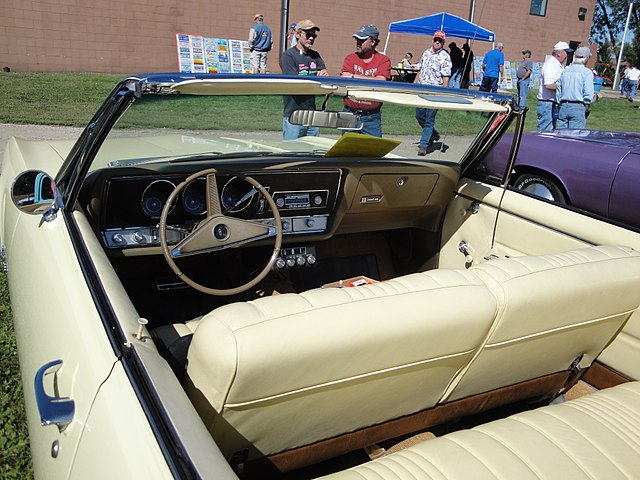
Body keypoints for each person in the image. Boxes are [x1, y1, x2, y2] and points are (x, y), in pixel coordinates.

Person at [340, 24, 391, 137]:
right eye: (357, 39)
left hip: (371, 117)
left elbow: (381, 81)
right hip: (349, 113)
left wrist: (354, 77)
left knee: (373, 151)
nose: (358, 42)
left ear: (373, 42)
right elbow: (344, 77)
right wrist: (372, 80)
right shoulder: (350, 58)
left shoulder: (383, 60)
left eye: (362, 40)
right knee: (347, 150)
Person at [280, 19, 328, 140]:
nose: (311, 38)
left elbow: (324, 76)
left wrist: (323, 74)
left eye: (314, 36)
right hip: (293, 114)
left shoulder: (315, 56)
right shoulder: (288, 56)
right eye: (308, 34)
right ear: (297, 34)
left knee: (313, 151)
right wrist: (314, 79)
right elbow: (295, 84)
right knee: (291, 151)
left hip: (312, 115)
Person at [413, 30, 451, 156]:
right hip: (422, 90)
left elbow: (446, 76)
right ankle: (433, 134)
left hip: (435, 92)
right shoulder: (426, 53)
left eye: (440, 40)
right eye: (436, 40)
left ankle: (424, 145)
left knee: (429, 119)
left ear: (443, 42)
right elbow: (420, 70)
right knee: (419, 115)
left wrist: (444, 94)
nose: (437, 42)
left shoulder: (445, 56)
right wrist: (414, 85)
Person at [536, 41, 572, 132]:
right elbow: (549, 85)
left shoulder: (558, 65)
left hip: (551, 102)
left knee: (550, 129)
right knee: (545, 130)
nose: (567, 55)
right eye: (566, 52)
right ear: (559, 53)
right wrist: (565, 87)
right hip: (547, 102)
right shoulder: (551, 65)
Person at [556, 46, 594, 129]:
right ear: (586, 58)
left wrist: (559, 102)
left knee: (561, 136)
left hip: (563, 106)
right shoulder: (587, 73)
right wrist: (587, 106)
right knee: (574, 136)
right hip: (578, 106)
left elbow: (559, 89)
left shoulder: (565, 71)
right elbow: (588, 93)